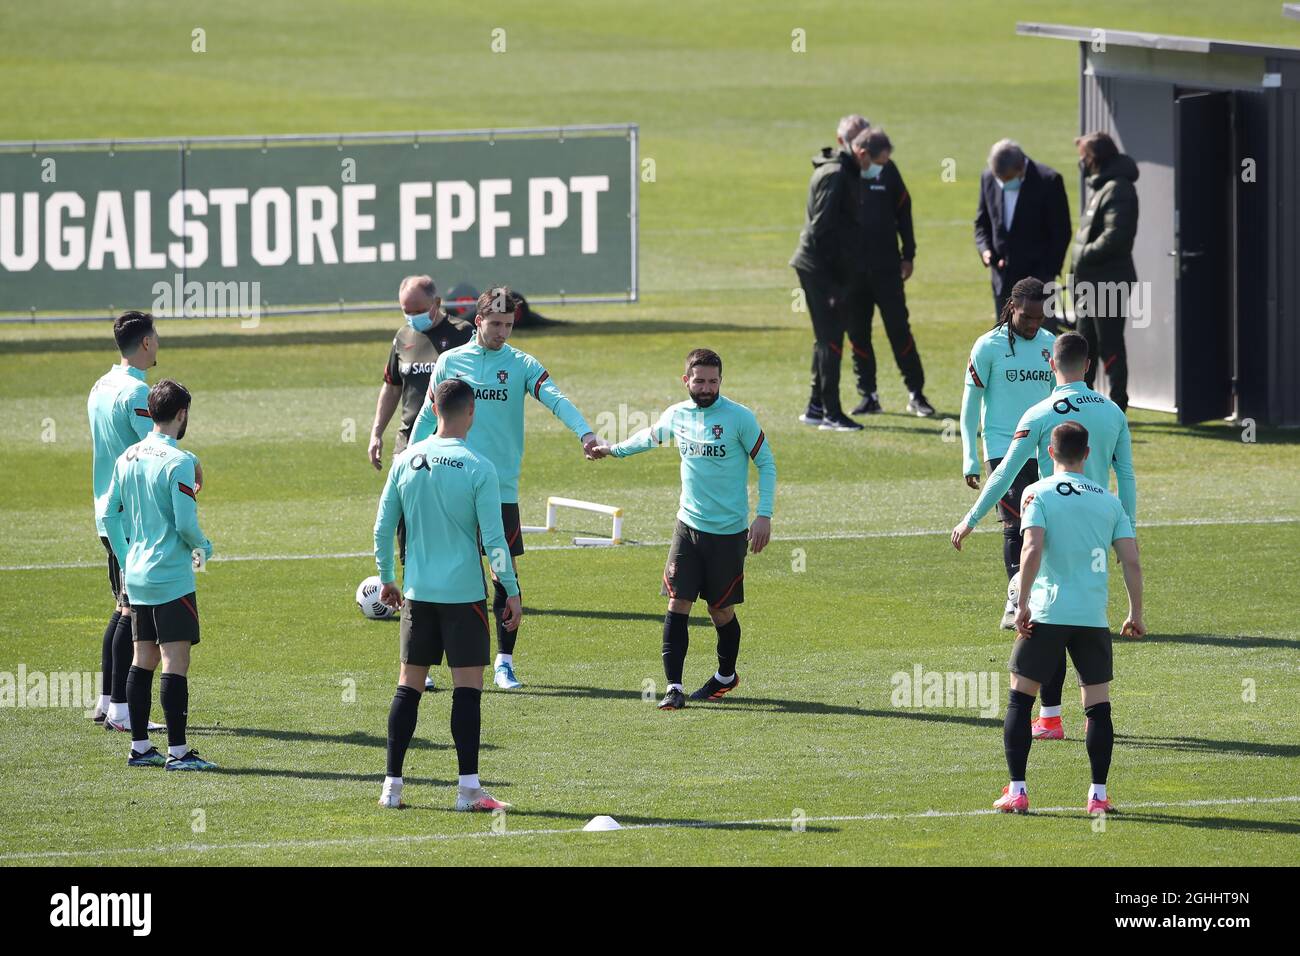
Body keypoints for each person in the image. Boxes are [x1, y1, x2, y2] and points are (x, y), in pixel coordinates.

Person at [410, 287, 600, 689]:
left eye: (509, 325)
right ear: (477, 321)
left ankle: (503, 662)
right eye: (495, 323)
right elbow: (429, 414)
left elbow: (555, 398)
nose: (502, 332)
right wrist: (409, 463)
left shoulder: (521, 364)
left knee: (504, 573)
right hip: (449, 486)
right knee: (442, 572)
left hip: (499, 490)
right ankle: (423, 668)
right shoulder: (449, 362)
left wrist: (585, 433)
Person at [952, 331, 1136, 739]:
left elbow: (1004, 473)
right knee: (1086, 625)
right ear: (1089, 365)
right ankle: (1089, 748)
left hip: (1048, 525)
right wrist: (1128, 531)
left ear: (1051, 365)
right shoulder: (1113, 412)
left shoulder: (1038, 413)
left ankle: (1047, 719)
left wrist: (971, 517)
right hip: (1097, 533)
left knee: (1041, 622)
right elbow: (1125, 475)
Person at [589, 349, 776, 710]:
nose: (706, 387)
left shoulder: (739, 418)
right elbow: (649, 437)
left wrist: (764, 515)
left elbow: (766, 464)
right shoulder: (678, 415)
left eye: (713, 381)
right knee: (678, 602)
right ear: (685, 379)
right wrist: (612, 450)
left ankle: (726, 676)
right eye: (699, 380)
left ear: (721, 381)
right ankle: (674, 687)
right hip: (687, 528)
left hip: (728, 534)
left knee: (720, 612)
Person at [374, 378, 520, 812]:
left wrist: (387, 577)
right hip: (465, 598)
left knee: (409, 687)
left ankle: (392, 788)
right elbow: (494, 541)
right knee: (467, 691)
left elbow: (382, 528)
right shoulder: (480, 467)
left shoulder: (405, 460)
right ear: (471, 412)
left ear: (433, 407)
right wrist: (510, 590)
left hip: (418, 596)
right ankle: (467, 792)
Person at [989, 421, 1143, 815]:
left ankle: (1018, 792)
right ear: (1088, 455)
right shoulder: (1110, 501)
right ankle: (1098, 797)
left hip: (1046, 613)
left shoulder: (1036, 492)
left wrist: (1021, 602)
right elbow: (1131, 560)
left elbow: (1032, 548)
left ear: (1050, 454)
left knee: (1020, 701)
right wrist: (1134, 613)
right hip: (1091, 617)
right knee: (1097, 707)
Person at [102, 380, 216, 771]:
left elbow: (108, 514)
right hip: (170, 576)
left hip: (135, 575)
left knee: (142, 659)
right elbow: (186, 524)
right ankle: (179, 753)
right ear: (182, 414)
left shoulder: (128, 456)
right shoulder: (178, 462)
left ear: (150, 411)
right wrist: (205, 548)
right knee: (174, 661)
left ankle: (139, 747)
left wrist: (125, 553)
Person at [368, 275, 473, 693]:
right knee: (406, 532)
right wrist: (377, 431)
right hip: (409, 445)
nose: (409, 316)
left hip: (450, 444)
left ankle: (464, 605)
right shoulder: (403, 336)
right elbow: (392, 387)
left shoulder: (463, 335)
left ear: (437, 303)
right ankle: (420, 645)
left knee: (453, 529)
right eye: (403, 309)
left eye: (415, 308)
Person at [957, 278, 1056, 629]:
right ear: (1012, 307)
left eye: (1039, 318)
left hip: (1045, 450)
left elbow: (1060, 400)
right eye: (1027, 317)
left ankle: (1037, 600)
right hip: (1002, 447)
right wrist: (971, 456)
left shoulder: (1051, 347)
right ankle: (1016, 604)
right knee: (1015, 522)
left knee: (1044, 526)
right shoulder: (987, 347)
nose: (1033, 324)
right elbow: (970, 406)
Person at [86, 311, 165, 735]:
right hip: (129, 517)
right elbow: (150, 449)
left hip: (106, 508)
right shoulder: (136, 391)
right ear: (146, 343)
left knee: (121, 607)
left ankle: (105, 701)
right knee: (129, 611)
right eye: (157, 337)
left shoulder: (100, 385)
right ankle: (119, 708)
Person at [839, 128, 934, 417]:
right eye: (881, 160)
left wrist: (909, 255)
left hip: (887, 270)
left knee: (899, 330)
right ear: (864, 154)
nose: (884, 165)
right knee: (858, 334)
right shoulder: (842, 174)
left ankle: (916, 392)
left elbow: (904, 211)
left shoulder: (889, 172)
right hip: (853, 274)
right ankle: (868, 395)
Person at [790, 113, 875, 428]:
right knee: (831, 340)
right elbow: (820, 229)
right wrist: (834, 283)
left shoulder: (843, 171)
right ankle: (830, 413)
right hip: (821, 271)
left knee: (826, 339)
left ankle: (816, 407)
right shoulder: (838, 174)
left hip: (825, 270)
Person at [1070, 131, 1139, 411]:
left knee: (1110, 345)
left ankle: (1118, 405)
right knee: (1084, 344)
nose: (1081, 163)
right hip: (1092, 281)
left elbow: (1117, 236)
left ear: (1095, 159)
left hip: (1108, 281)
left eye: (1084, 157)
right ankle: (1082, 403)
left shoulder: (1118, 188)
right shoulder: (1103, 185)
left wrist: (1081, 254)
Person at [973, 139, 1072, 322]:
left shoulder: (1048, 180)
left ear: (1020, 167)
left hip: (1038, 281)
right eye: (999, 180)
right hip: (1002, 280)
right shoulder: (988, 178)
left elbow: (1061, 231)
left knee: (1041, 338)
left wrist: (1048, 271)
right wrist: (985, 250)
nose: (1002, 184)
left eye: (1007, 179)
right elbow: (982, 223)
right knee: (1006, 340)